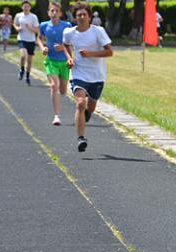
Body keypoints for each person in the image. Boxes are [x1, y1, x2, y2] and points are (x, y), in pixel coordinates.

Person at [63, 2, 112, 152]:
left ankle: (86, 115)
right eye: (79, 15)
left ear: (89, 17)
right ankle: (81, 139)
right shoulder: (69, 32)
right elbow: (65, 45)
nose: (82, 17)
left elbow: (109, 52)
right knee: (79, 103)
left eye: (84, 15)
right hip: (78, 73)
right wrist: (69, 58)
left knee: (90, 107)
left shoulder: (98, 31)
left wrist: (91, 54)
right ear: (75, 18)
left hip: (96, 76)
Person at [37, 2, 72, 126]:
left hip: (63, 62)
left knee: (63, 90)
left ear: (61, 13)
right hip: (51, 60)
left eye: (57, 11)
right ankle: (56, 116)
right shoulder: (43, 25)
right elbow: (39, 38)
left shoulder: (67, 26)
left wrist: (62, 47)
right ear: (48, 13)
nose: (54, 13)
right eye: (52, 11)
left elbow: (71, 42)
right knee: (53, 86)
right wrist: (42, 48)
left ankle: (62, 91)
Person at [14, 0, 39, 85]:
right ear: (22, 7)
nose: (26, 8)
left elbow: (36, 30)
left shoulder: (33, 17)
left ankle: (27, 76)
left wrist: (30, 27)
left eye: (27, 6)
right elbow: (15, 24)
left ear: (30, 7)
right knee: (23, 55)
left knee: (29, 61)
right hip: (21, 38)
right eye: (24, 6)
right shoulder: (18, 15)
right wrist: (17, 28)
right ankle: (21, 69)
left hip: (31, 40)